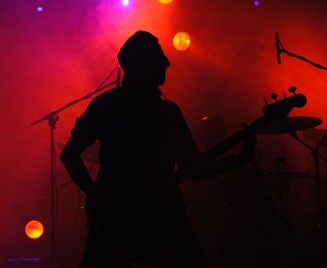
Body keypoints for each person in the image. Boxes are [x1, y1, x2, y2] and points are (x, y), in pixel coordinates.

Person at [60, 30, 256, 268]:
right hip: (161, 213)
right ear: (140, 64)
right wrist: (240, 158)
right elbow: (196, 168)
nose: (166, 62)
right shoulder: (167, 112)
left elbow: (70, 154)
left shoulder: (106, 104)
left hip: (118, 214)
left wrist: (97, 195)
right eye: (158, 57)